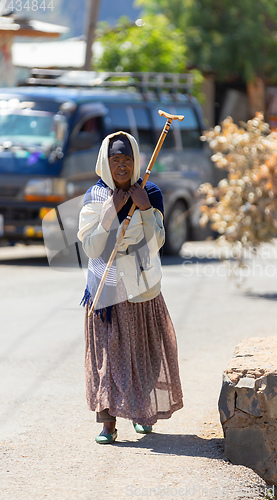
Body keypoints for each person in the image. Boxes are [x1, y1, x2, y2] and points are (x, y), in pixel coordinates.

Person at [77, 131, 183, 444]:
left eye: (127, 159)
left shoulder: (150, 192)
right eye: (115, 159)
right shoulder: (95, 197)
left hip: (141, 288)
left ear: (136, 161)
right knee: (107, 360)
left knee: (146, 356)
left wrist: (145, 209)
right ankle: (108, 423)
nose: (122, 165)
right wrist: (110, 214)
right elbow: (92, 248)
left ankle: (142, 414)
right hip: (105, 292)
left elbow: (158, 243)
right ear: (105, 162)